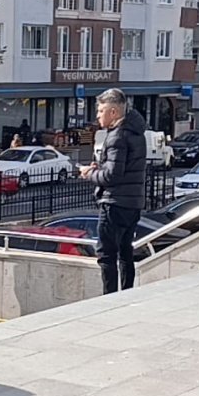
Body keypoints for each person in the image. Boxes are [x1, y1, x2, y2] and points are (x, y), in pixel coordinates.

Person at [81, 88, 147, 294]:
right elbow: (120, 169)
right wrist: (99, 168)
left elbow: (112, 176)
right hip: (133, 203)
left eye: (101, 111)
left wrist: (89, 174)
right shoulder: (136, 132)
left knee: (106, 255)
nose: (97, 116)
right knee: (126, 252)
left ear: (113, 112)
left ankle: (109, 299)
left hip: (114, 203)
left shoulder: (117, 136)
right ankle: (126, 294)